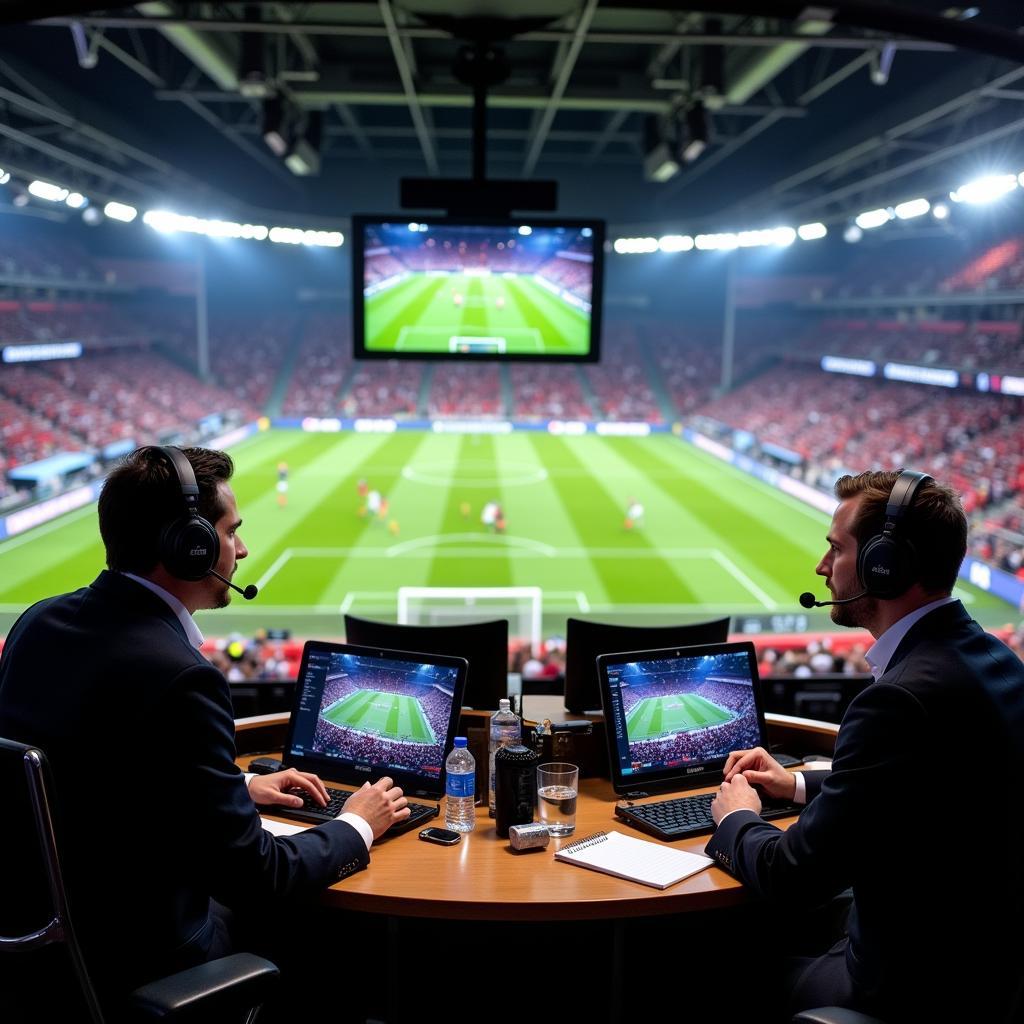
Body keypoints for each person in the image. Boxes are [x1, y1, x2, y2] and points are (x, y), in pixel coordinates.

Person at [0, 446, 410, 1011]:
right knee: (323, 925)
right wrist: (356, 825)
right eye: (229, 532)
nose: (241, 550)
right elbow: (257, 875)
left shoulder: (35, 624)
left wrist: (235, 789)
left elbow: (95, 776)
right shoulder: (182, 677)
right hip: (151, 955)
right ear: (187, 546)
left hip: (50, 948)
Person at [707, 470, 1024, 1023]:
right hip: (982, 969)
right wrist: (799, 783)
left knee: (698, 966)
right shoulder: (995, 661)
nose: (821, 567)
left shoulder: (899, 700)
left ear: (886, 564)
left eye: (836, 549)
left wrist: (737, 817)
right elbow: (929, 779)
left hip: (905, 988)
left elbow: (792, 878)